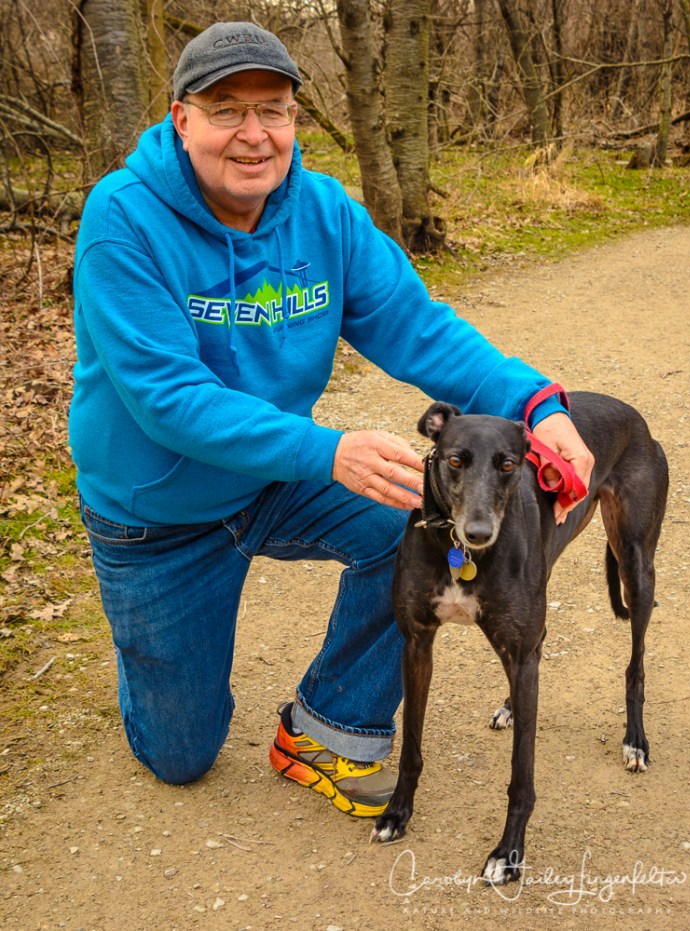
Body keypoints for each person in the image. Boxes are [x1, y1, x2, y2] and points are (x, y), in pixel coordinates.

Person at [69, 22, 594, 818]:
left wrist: (537, 402)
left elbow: (418, 328)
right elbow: (166, 397)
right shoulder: (123, 219)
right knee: (181, 754)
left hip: (274, 476)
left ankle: (329, 726)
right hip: (158, 517)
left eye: (274, 110)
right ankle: (155, 662)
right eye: (226, 110)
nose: (254, 135)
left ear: (293, 120)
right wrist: (327, 449)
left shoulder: (323, 213)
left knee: (413, 517)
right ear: (181, 118)